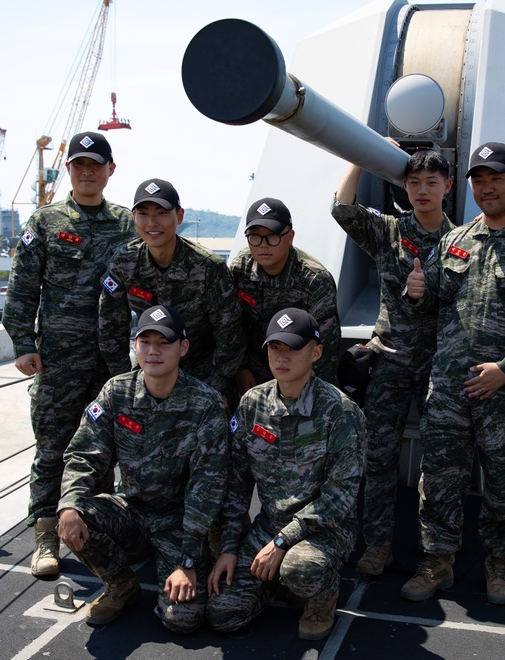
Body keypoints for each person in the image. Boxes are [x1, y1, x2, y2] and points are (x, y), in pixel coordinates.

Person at [403, 142, 505, 604]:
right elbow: (431, 298)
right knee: (438, 481)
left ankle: (499, 564)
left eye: (495, 177)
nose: (487, 187)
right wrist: (417, 292)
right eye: (479, 179)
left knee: (503, 485)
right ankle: (437, 561)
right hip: (450, 389)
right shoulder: (456, 240)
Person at [3, 131, 136, 578]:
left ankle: (93, 532)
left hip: (110, 363)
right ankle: (45, 537)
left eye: (95, 165)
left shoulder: (127, 224)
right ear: (69, 170)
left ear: (110, 170)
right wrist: (23, 344)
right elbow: (22, 287)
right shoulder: (45, 221)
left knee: (103, 452)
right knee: (53, 450)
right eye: (78, 165)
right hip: (57, 362)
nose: (86, 171)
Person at [57, 305, 229, 631]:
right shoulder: (116, 392)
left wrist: (189, 561)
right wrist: (69, 503)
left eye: (163, 342)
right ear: (135, 346)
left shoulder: (204, 403)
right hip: (131, 511)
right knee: (75, 514)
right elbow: (84, 454)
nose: (153, 351)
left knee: (183, 620)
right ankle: (121, 584)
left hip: (179, 522)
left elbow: (207, 487)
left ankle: (173, 569)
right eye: (144, 341)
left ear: (183, 347)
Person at [206, 308, 366, 641]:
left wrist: (283, 541)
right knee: (222, 614)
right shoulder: (253, 404)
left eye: (292, 348)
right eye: (275, 347)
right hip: (269, 526)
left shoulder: (339, 411)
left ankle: (321, 595)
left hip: (326, 530)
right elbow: (236, 484)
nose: (282, 356)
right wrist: (230, 547)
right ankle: (273, 581)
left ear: (316, 352)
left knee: (300, 569)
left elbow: (339, 497)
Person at [332, 148, 454, 576]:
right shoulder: (388, 231)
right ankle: (378, 545)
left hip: (441, 367)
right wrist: (364, 152)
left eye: (432, 183)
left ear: (447, 188)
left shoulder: (462, 242)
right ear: (405, 187)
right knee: (379, 458)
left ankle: (437, 555)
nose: (423, 191)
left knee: (439, 465)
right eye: (415, 183)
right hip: (391, 362)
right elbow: (341, 208)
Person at [98, 178, 244, 402]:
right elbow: (111, 328)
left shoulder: (207, 267)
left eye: (161, 213)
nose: (152, 222)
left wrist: (214, 390)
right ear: (133, 217)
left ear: (180, 215)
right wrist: (126, 385)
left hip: (202, 375)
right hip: (149, 374)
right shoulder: (124, 263)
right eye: (143, 213)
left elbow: (230, 336)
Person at [229, 197, 341, 397]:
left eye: (272, 236)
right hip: (251, 374)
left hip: (300, 376)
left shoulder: (314, 280)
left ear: (290, 236)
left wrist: (299, 394)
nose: (263, 245)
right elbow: (231, 326)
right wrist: (240, 368)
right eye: (255, 236)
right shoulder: (240, 270)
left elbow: (326, 350)